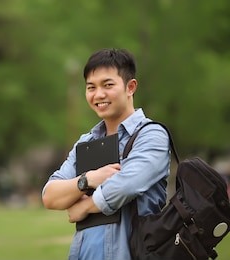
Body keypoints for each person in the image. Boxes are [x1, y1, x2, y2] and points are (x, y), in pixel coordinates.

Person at [42, 48, 171, 260]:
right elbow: (50, 195)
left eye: (108, 85)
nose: (98, 94)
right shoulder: (86, 142)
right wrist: (88, 179)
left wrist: (84, 206)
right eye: (91, 87)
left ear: (130, 87)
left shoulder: (151, 135)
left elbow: (126, 185)